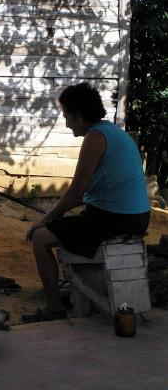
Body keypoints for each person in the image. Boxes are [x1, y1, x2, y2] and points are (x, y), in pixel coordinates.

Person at [25, 82, 150, 321]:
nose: (66, 123)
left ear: (79, 115)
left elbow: (76, 193)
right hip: (135, 217)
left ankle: (54, 307)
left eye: (67, 116)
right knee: (65, 224)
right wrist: (58, 214)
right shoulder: (112, 132)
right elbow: (87, 192)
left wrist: (45, 219)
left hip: (117, 219)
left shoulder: (95, 137)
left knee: (40, 238)